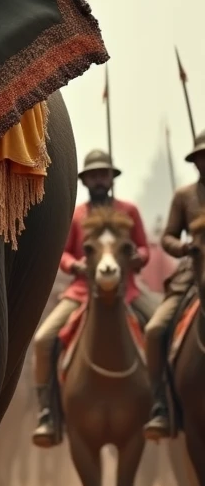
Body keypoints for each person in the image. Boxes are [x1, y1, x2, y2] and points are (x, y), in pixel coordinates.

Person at [31, 150, 155, 447]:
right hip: (83, 292)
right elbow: (65, 252)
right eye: (93, 175)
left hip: (128, 290)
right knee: (43, 339)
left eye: (104, 174)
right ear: (85, 181)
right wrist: (74, 265)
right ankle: (48, 411)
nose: (99, 179)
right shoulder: (78, 215)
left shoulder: (129, 212)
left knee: (160, 328)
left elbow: (143, 247)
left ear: (112, 178)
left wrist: (138, 257)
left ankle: (162, 403)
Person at [143, 130, 205, 440]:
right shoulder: (184, 197)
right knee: (155, 329)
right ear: (195, 162)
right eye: (201, 157)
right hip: (192, 274)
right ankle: (160, 406)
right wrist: (184, 249)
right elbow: (168, 236)